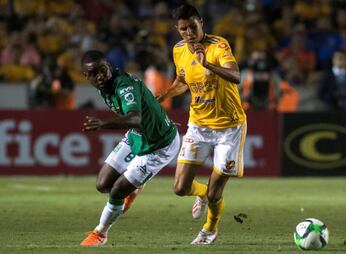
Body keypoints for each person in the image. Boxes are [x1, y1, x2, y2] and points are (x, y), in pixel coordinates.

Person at [157, 4, 247, 245]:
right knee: (179, 188)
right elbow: (182, 81)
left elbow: (236, 76)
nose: (188, 32)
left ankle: (209, 229)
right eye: (183, 29)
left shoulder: (219, 45)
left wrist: (207, 64)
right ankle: (202, 194)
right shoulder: (178, 50)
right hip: (198, 125)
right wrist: (164, 96)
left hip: (229, 127)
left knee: (216, 190)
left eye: (192, 26)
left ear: (201, 22)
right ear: (178, 29)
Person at [79, 50, 180, 246]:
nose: (100, 75)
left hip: (160, 144)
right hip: (138, 135)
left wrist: (104, 124)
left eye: (103, 69)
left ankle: (100, 233)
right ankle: (135, 185)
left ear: (108, 66)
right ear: (86, 76)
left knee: (117, 191)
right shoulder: (104, 85)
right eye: (94, 73)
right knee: (102, 184)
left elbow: (135, 117)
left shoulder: (124, 85)